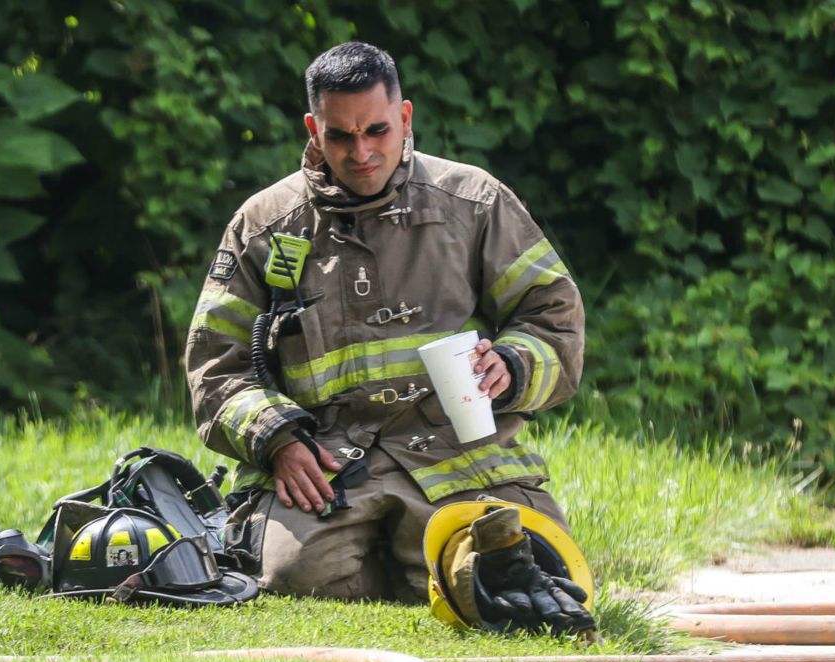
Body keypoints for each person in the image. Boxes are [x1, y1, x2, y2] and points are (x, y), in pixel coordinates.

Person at [186, 41, 584, 602]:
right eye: (341, 136)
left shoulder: (473, 203)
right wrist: (277, 441)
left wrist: (513, 365)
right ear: (313, 128)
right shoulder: (264, 225)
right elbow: (215, 367)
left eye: (376, 130)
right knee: (291, 580)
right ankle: (403, 561)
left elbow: (554, 316)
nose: (362, 152)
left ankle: (417, 559)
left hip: (457, 454)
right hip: (325, 461)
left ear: (404, 116)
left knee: (525, 569)